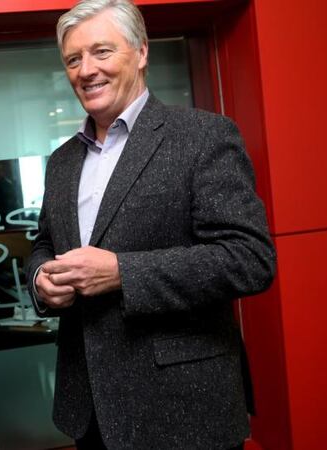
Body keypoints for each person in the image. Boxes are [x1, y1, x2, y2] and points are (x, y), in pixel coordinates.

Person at [26, 1, 276, 449]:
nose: (86, 70)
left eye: (102, 51)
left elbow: (249, 259)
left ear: (141, 52)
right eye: (73, 59)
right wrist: (41, 278)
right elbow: (45, 243)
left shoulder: (204, 136)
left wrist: (123, 273)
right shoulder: (62, 161)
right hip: (90, 410)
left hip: (185, 409)